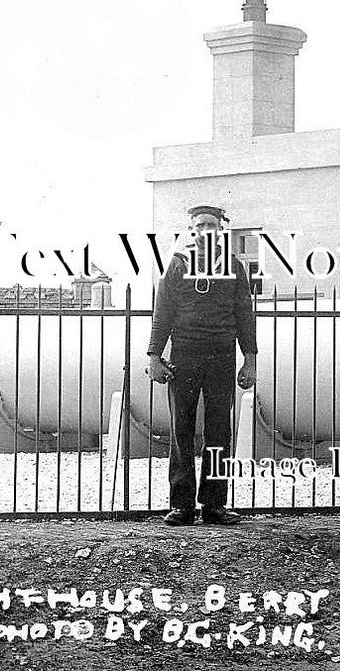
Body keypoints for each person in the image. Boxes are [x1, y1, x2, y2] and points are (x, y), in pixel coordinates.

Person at [147, 205, 258, 525]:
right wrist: (154, 356)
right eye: (200, 226)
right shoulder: (177, 264)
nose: (206, 231)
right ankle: (182, 506)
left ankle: (214, 505)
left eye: (211, 225)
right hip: (184, 356)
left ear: (220, 230)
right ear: (191, 231)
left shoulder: (234, 267)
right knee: (181, 431)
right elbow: (163, 312)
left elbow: (244, 316)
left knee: (219, 431)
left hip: (222, 357)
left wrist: (249, 360)